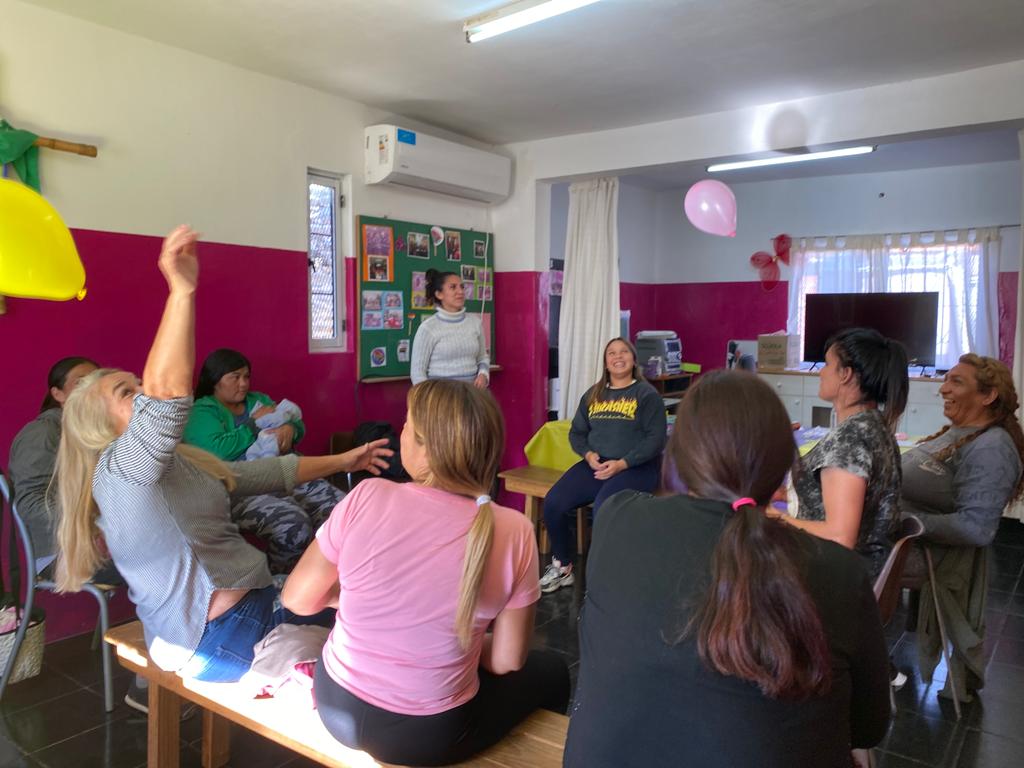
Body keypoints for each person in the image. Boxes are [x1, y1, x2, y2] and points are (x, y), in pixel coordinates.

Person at [53, 226, 392, 682]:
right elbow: (166, 395)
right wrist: (181, 291)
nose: (143, 394)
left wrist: (345, 460)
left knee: (350, 582)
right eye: (128, 393)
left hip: (220, 626)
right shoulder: (120, 469)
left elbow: (259, 474)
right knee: (378, 601)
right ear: (100, 427)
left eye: (138, 385)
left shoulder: (168, 465)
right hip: (226, 634)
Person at [564, 371, 890, 768]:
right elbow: (868, 728)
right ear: (783, 467)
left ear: (679, 456)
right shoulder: (838, 572)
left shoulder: (618, 518)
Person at [282, 379, 569, 766]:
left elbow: (298, 599)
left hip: (335, 701)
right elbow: (507, 660)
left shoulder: (367, 495)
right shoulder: (514, 529)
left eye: (406, 425)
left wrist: (355, 602)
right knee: (553, 671)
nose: (400, 432)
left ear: (425, 450)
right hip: (427, 736)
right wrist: (453, 643)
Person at [900, 353, 1024, 700]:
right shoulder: (962, 434)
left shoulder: (993, 448)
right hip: (907, 543)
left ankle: (855, 665)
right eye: (946, 380)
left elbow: (976, 528)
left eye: (956, 381)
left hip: (932, 557)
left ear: (988, 396)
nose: (943, 389)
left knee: (832, 561)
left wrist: (902, 522)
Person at [183, 348, 343, 572]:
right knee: (293, 524)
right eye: (235, 377)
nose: (243, 384)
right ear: (215, 380)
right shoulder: (202, 411)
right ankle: (282, 582)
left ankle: (328, 577)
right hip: (239, 485)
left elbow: (293, 421)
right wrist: (253, 425)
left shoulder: (258, 400)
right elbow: (217, 452)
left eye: (246, 377)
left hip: (283, 469)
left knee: (339, 511)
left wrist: (291, 430)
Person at [539, 337, 666, 594]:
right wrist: (588, 455)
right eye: (611, 353)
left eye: (624, 352)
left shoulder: (646, 394)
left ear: (633, 359)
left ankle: (607, 577)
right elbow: (577, 433)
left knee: (605, 509)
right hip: (597, 465)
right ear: (606, 363)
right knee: (553, 503)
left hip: (637, 468)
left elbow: (656, 439)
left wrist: (623, 463)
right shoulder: (593, 394)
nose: (618, 357)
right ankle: (562, 566)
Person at [788, 327, 909, 579]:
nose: (821, 372)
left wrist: (775, 517)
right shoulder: (874, 425)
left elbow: (840, 536)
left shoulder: (850, 439)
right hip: (862, 570)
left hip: (839, 579)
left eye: (827, 364)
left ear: (845, 374)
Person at [8, 356, 98, 575]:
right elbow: (31, 504)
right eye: (80, 382)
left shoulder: (94, 433)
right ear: (58, 394)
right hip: (59, 553)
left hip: (101, 542)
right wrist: (99, 523)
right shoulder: (41, 434)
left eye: (97, 380)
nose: (91, 387)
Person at [409, 269, 489, 387]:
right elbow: (417, 373)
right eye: (453, 287)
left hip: (472, 393)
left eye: (462, 287)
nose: (460, 291)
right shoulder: (428, 328)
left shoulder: (475, 323)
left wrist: (483, 375)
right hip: (441, 394)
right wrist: (431, 396)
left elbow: (482, 357)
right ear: (439, 294)